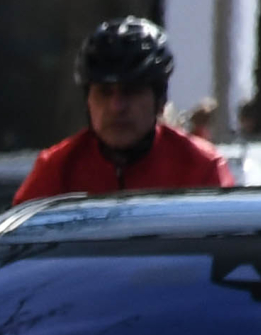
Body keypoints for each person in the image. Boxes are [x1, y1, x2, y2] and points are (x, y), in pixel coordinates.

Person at [13, 18, 233, 203]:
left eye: (132, 91)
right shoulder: (57, 168)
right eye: (104, 92)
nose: (117, 106)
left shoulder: (201, 167)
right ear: (87, 100)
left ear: (160, 99)